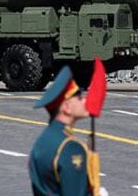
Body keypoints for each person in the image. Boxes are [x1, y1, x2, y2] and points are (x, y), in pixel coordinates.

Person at [29, 66, 92, 195]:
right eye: (79, 98)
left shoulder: (42, 141)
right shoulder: (70, 148)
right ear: (67, 107)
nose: (84, 100)